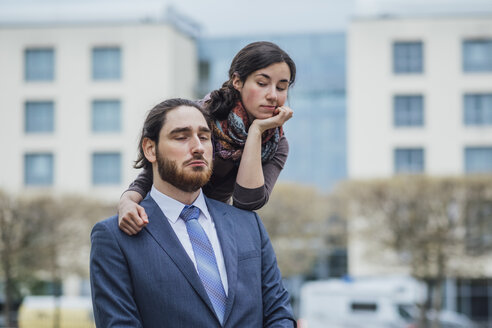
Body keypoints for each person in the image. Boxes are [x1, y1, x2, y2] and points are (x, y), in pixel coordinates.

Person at [90, 98, 296, 327]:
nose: (198, 147)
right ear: (150, 149)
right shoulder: (114, 237)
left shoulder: (249, 225)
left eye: (205, 137)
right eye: (181, 137)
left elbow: (280, 315)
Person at [119, 41, 296, 235]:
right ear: (237, 81)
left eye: (281, 87)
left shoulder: (275, 142)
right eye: (262, 83)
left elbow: (247, 201)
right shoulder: (201, 116)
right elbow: (155, 170)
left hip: (212, 227)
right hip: (162, 219)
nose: (272, 95)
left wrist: (256, 132)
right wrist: (127, 201)